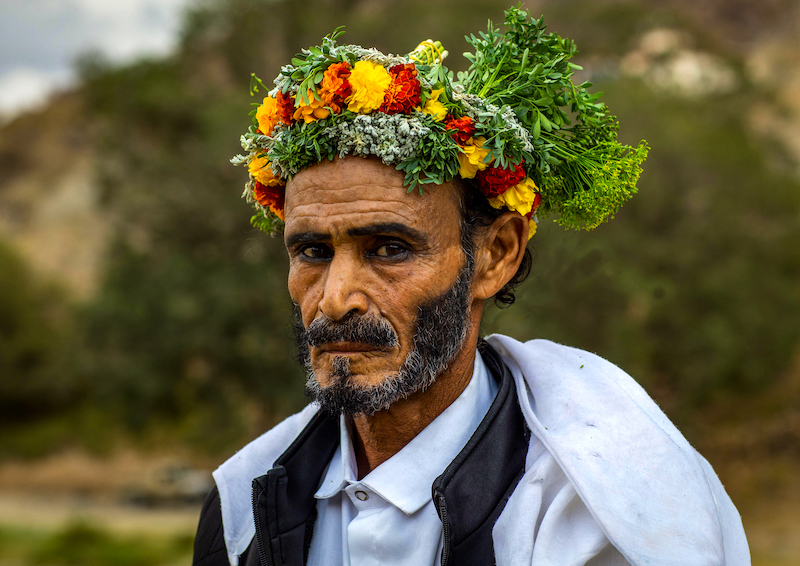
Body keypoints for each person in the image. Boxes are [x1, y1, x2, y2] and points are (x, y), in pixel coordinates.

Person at [193, 7, 749, 566]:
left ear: (496, 255)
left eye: (389, 249)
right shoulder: (242, 503)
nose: (336, 299)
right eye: (312, 251)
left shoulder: (589, 509)